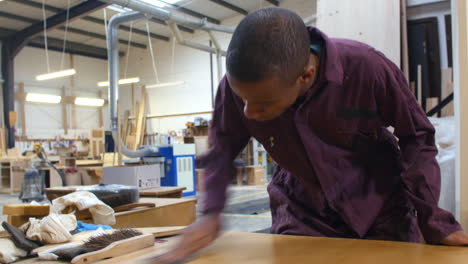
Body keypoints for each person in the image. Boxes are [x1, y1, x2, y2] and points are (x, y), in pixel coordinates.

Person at [148, 7, 468, 264]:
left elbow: (418, 137)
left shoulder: (367, 68)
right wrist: (211, 213)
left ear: (306, 75)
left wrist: (432, 219)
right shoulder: (243, 85)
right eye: (241, 98)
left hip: (379, 206)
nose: (247, 113)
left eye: (263, 104)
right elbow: (221, 149)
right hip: (302, 207)